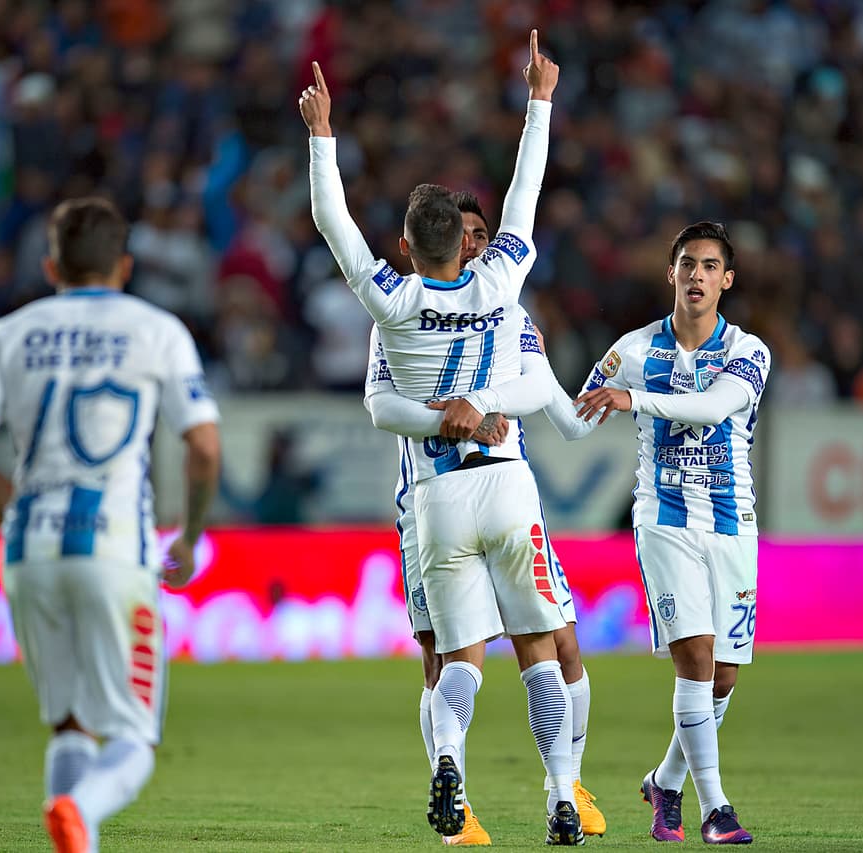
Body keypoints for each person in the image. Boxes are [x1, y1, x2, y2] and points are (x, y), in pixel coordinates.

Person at [301, 34, 585, 845]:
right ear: (467, 242)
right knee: (539, 650)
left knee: (459, 658)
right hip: (504, 480)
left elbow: (331, 221)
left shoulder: (389, 302)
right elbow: (526, 192)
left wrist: (323, 134)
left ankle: (449, 763)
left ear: (404, 247)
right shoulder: (501, 279)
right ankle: (561, 795)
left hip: (434, 498)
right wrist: (539, 100)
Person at [0, 197, 221, 853]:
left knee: (69, 723)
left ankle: (72, 823)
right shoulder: (158, 330)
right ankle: (78, 804)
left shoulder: (5, 333)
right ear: (124, 266)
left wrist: (7, 498)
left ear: (50, 265)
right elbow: (204, 446)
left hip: (28, 547)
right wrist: (191, 533)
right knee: (132, 739)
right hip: (116, 549)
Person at [363, 191, 606, 845]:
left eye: (481, 234)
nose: (472, 244)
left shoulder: (509, 314)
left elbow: (563, 411)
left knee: (561, 642)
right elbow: (387, 402)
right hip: (434, 501)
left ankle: (568, 784)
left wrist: (616, 386)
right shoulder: (409, 316)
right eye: (464, 235)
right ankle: (462, 804)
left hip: (485, 499)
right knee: (444, 656)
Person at [544, 221, 768, 845]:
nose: (696, 275)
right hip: (664, 520)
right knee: (693, 659)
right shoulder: (634, 351)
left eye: (709, 266)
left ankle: (665, 780)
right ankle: (715, 809)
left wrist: (634, 401)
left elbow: (713, 407)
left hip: (732, 523)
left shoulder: (750, 352)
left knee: (722, 677)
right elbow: (576, 422)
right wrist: (530, 367)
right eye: (686, 264)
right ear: (669, 274)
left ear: (727, 280)